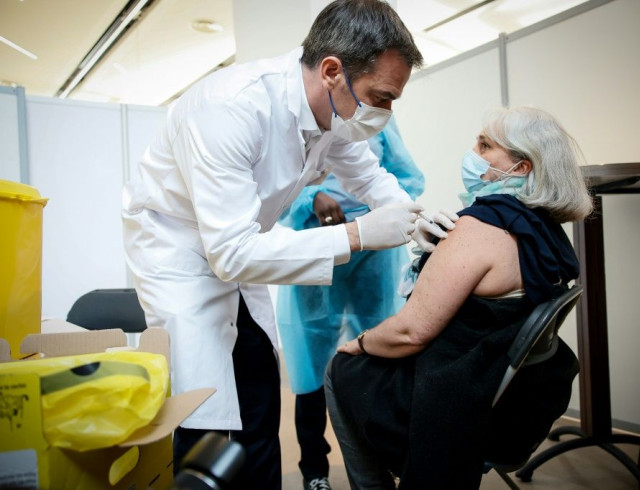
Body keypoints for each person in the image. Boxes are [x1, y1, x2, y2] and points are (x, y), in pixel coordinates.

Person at [121, 1, 448, 487]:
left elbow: (370, 175)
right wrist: (357, 236)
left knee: (258, 389)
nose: (386, 112)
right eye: (381, 96)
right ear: (332, 71)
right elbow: (229, 253)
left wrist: (415, 216)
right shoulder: (231, 107)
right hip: (181, 258)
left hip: (243, 246)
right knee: (207, 412)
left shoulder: (331, 114)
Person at [324, 106, 594, 489]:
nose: (472, 152)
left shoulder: (478, 227)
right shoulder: (545, 230)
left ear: (520, 168)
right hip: (514, 398)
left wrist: (360, 343)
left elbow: (410, 333)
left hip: (454, 397)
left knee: (340, 370)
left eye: (485, 145)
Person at [276, 115, 425, 490]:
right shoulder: (298, 126)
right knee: (309, 367)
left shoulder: (378, 124)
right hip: (317, 247)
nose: (383, 103)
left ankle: (380, 464)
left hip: (373, 253)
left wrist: (375, 219)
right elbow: (278, 197)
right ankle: (314, 471)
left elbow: (407, 179)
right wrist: (313, 199)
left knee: (375, 358)